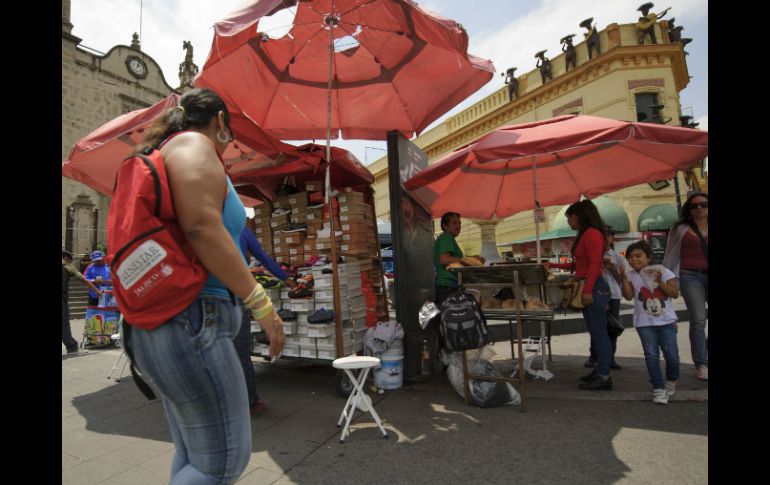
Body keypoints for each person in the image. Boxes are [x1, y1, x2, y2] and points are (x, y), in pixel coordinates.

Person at [121, 88, 285, 484]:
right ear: (220, 122)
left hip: (172, 321)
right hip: (194, 319)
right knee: (222, 463)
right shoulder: (195, 144)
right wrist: (262, 305)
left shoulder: (170, 149)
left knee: (196, 455)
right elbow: (201, 225)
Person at [236, 224, 296, 417]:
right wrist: (285, 278)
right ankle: (251, 403)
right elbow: (263, 258)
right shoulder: (239, 227)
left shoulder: (203, 220)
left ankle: (225, 402)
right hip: (237, 293)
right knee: (241, 354)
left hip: (208, 297)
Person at [558, 200, 613, 390]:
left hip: (594, 287)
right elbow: (583, 264)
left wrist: (588, 290)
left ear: (579, 216)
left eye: (570, 217)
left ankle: (604, 375)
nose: (569, 222)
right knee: (595, 333)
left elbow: (595, 264)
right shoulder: (587, 234)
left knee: (600, 334)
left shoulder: (592, 234)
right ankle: (600, 371)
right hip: (588, 285)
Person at [620, 240, 680, 404]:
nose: (634, 260)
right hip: (644, 323)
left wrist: (659, 282)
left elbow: (674, 294)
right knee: (651, 356)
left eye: (638, 256)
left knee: (672, 356)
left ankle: (672, 380)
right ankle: (658, 389)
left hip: (666, 322)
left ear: (649, 257)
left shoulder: (663, 271)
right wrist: (624, 278)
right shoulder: (631, 275)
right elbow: (628, 296)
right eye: (630, 257)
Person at [662, 191, 708, 381]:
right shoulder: (680, 228)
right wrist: (666, 277)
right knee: (698, 320)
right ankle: (701, 363)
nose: (699, 208)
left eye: (703, 204)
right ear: (688, 209)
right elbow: (671, 253)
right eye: (694, 205)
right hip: (690, 276)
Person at [584, 226, 624, 370]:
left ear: (612, 237)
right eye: (603, 235)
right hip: (597, 293)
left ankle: (611, 357)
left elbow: (621, 280)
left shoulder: (617, 257)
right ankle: (593, 356)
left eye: (609, 235)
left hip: (613, 295)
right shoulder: (593, 254)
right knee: (596, 327)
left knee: (612, 328)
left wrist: (612, 268)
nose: (606, 238)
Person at [62, 250, 102, 354]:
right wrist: (97, 291)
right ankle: (72, 347)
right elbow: (83, 279)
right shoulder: (66, 266)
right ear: (66, 257)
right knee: (64, 323)